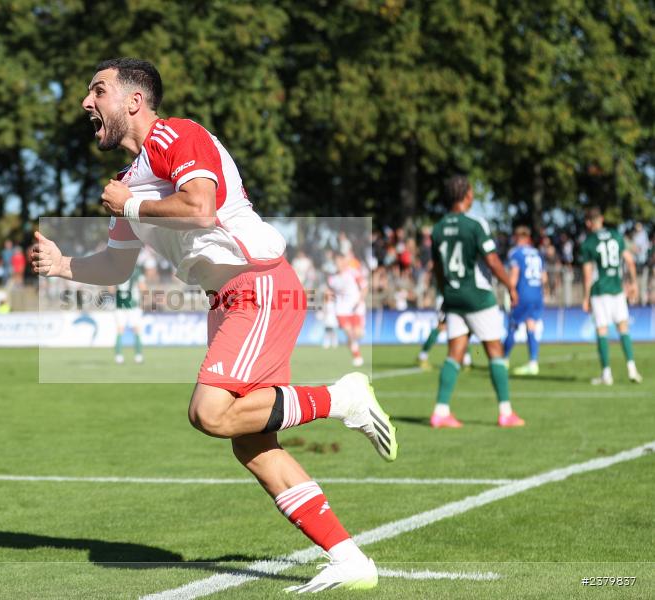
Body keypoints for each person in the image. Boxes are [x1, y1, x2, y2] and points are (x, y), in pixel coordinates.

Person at [32, 58, 397, 592]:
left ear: (134, 100)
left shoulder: (176, 135)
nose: (87, 102)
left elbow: (201, 208)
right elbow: (115, 267)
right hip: (227, 299)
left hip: (258, 283)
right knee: (250, 444)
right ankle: (350, 559)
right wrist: (62, 264)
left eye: (98, 90)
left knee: (209, 412)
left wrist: (131, 205)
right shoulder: (126, 183)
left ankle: (342, 398)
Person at [429, 175, 524, 429]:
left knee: (454, 353)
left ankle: (440, 411)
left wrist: (444, 294)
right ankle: (505, 412)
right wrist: (510, 285)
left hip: (453, 297)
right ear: (467, 195)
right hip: (478, 296)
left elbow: (437, 268)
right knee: (495, 351)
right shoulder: (475, 223)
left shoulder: (438, 229)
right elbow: (492, 260)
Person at [579, 208, 643, 385]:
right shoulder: (616, 235)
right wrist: (634, 284)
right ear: (602, 218)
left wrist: (585, 297)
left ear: (588, 222)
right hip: (617, 289)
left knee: (602, 330)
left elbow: (587, 273)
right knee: (623, 328)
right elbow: (630, 261)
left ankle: (606, 374)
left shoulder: (588, 242)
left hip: (599, 290)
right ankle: (632, 369)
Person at [503, 226, 547, 375]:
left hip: (522, 294)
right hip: (537, 294)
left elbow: (514, 275)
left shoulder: (516, 253)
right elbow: (544, 278)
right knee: (531, 326)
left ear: (517, 237)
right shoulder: (537, 253)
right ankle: (533, 363)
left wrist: (511, 291)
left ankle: (503, 360)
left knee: (512, 326)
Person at [327, 252, 367, 366]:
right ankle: (357, 356)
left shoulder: (354, 273)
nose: (339, 264)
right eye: (336, 262)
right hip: (341, 310)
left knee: (358, 334)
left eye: (340, 261)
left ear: (344, 261)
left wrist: (360, 300)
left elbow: (364, 288)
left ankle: (353, 345)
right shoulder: (332, 278)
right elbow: (329, 292)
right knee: (349, 333)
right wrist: (328, 303)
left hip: (356, 307)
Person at [112, 263, 146, 364]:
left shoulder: (116, 269)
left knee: (119, 330)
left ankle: (118, 356)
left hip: (119, 303)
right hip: (133, 304)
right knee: (136, 330)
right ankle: (138, 356)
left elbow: (111, 288)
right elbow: (142, 288)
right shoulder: (136, 270)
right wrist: (143, 301)